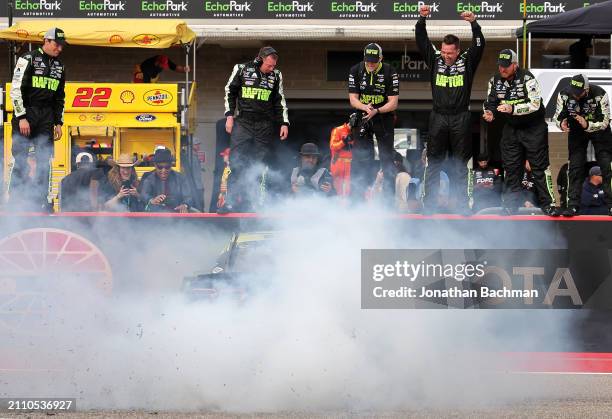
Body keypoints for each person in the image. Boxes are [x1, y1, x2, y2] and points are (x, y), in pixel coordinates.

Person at [416, 5, 485, 215]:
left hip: (460, 116)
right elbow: (421, 41)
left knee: (460, 164)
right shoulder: (435, 59)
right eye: (444, 52)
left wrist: (474, 23)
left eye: (450, 53)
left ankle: (464, 205)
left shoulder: (467, 60)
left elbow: (480, 44)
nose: (446, 56)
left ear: (458, 50)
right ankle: (429, 205)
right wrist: (421, 19)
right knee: (433, 162)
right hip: (438, 116)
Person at [483, 49, 559, 216]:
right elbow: (491, 102)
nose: (502, 69)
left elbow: (535, 104)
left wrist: (512, 108)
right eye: (500, 66)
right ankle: (510, 206)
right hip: (512, 127)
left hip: (534, 127)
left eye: (506, 66)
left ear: (515, 65)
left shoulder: (528, 78)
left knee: (539, 168)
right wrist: (490, 113)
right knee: (511, 168)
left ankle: (549, 204)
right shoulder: (494, 80)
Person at [219, 46, 289, 213]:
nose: (272, 69)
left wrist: (284, 123)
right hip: (243, 122)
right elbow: (230, 91)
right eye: (269, 65)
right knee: (236, 163)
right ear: (260, 59)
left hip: (265, 125)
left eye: (274, 66)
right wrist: (229, 116)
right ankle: (230, 202)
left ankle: (256, 203)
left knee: (259, 165)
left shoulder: (277, 75)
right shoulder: (241, 69)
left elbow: (280, 100)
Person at [8, 27, 67, 212]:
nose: (60, 49)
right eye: (57, 44)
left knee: (44, 160)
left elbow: (60, 97)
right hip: (27, 113)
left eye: (62, 46)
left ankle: (42, 201)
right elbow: (16, 89)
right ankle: (15, 199)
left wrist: (58, 122)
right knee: (20, 158)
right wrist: (22, 117)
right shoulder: (28, 59)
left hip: (47, 116)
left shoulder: (60, 66)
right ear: (47, 41)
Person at [553, 74, 612, 216]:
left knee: (606, 166)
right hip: (576, 130)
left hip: (599, 130)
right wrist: (561, 124)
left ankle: (611, 205)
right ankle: (573, 205)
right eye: (574, 91)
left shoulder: (600, 94)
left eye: (579, 93)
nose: (576, 95)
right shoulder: (564, 94)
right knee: (575, 166)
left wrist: (587, 125)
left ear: (586, 89)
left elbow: (605, 121)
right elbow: (557, 116)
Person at [348, 42, 399, 203]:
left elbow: (394, 103)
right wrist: (365, 107)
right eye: (367, 60)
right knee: (361, 157)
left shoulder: (390, 72)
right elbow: (353, 99)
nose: (370, 63)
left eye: (374, 61)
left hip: (383, 116)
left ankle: (389, 201)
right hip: (363, 115)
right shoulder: (355, 70)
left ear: (381, 58)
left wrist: (376, 111)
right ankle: (356, 200)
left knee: (387, 157)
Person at [141, 148, 193, 213]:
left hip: (176, 214)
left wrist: (185, 205)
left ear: (171, 165)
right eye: (160, 167)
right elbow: (144, 194)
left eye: (167, 167)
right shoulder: (149, 178)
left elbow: (189, 196)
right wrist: (152, 200)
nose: (163, 170)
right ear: (155, 165)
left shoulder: (180, 178)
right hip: (155, 215)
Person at [329, 113, 359, 198]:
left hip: (350, 164)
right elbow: (332, 146)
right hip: (338, 163)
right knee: (337, 189)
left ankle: (346, 208)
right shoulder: (338, 130)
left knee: (348, 189)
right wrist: (343, 142)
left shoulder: (357, 132)